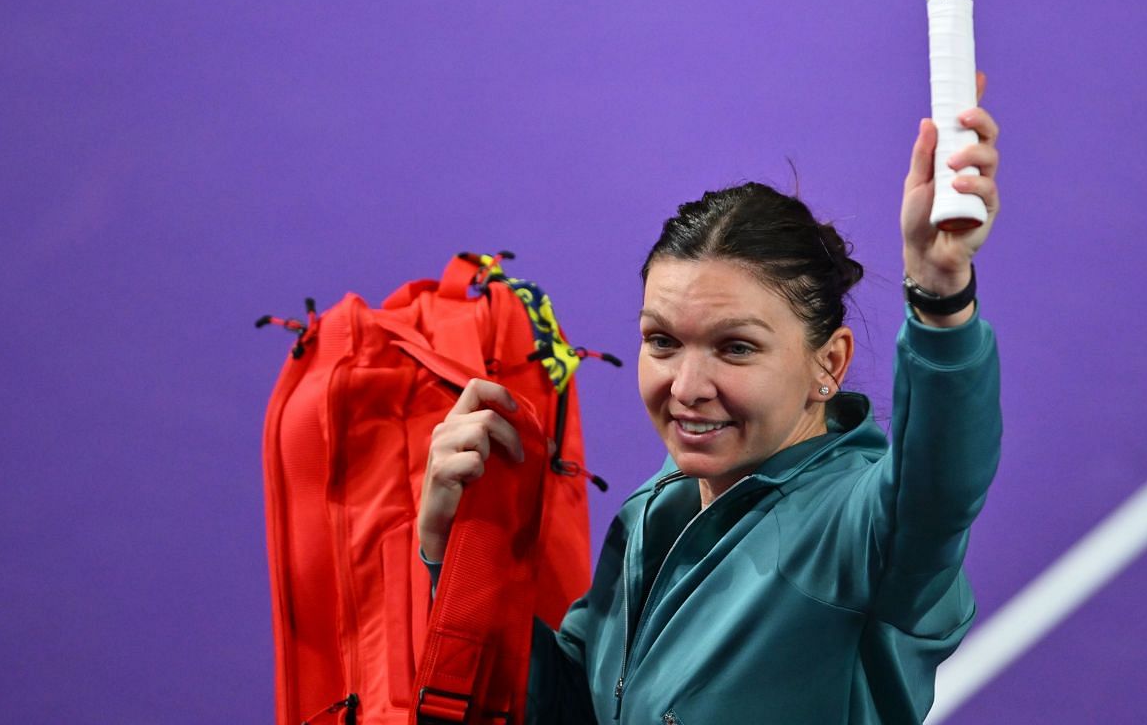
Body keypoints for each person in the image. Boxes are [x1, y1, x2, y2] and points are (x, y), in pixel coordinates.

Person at [419, 90, 1002, 724]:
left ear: (827, 364)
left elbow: (938, 487)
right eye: (662, 341)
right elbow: (571, 711)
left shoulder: (854, 531)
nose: (687, 385)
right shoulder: (656, 512)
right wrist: (451, 554)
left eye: (736, 348)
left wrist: (941, 300)